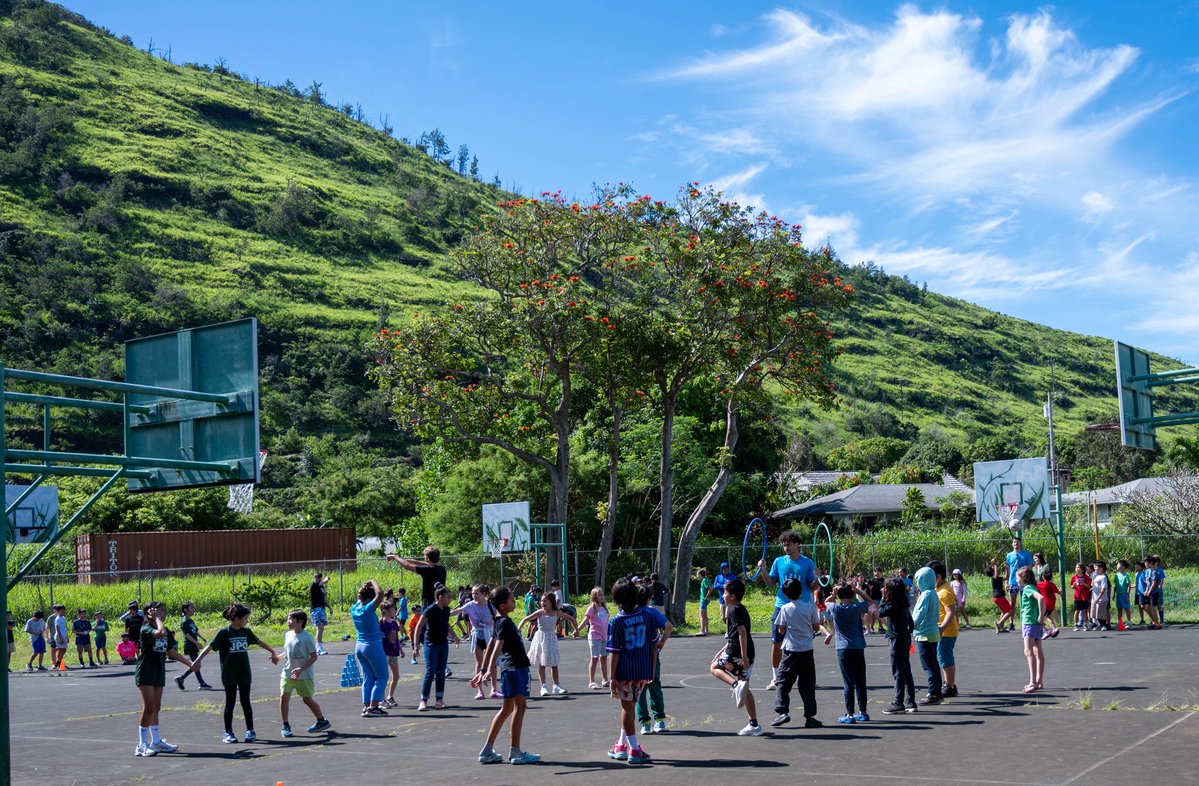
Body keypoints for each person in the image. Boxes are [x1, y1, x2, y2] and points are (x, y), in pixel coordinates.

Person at [188, 603, 279, 743]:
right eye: (245, 618)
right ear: (236, 619)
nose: (247, 621)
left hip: (244, 673)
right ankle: (228, 732)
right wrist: (197, 660)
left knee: (245, 701)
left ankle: (250, 730)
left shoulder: (246, 632)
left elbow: (259, 642)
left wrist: (272, 651)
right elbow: (210, 646)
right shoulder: (225, 632)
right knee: (230, 703)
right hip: (229, 673)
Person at [473, 587, 540, 765]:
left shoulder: (499, 622)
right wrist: (487, 670)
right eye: (511, 600)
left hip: (510, 669)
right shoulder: (504, 622)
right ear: (503, 605)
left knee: (508, 709)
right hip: (516, 668)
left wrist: (482, 670)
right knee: (520, 707)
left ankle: (487, 751)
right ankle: (516, 751)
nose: (514, 602)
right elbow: (497, 646)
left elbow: (490, 647)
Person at [607, 577, 660, 763]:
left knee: (627, 707)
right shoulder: (647, 616)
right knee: (629, 707)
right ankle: (622, 745)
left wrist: (611, 677)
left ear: (617, 599)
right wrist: (651, 669)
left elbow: (614, 652)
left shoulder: (617, 621)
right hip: (642, 669)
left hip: (624, 671)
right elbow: (655, 645)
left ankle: (634, 749)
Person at [756, 529, 817, 689]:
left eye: (789, 544)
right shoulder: (779, 561)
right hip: (782, 606)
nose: (786, 548)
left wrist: (817, 577)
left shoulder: (807, 563)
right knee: (777, 642)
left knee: (805, 642)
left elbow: (812, 586)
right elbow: (771, 583)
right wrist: (763, 570)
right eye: (784, 545)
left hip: (802, 607)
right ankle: (775, 678)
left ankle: (808, 677)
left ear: (797, 544)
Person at [133, 602, 193, 757]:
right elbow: (160, 633)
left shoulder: (163, 629)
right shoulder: (146, 629)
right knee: (149, 707)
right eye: (160, 611)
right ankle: (141, 745)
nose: (164, 613)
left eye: (165, 611)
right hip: (146, 672)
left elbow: (171, 651)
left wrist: (190, 663)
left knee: (156, 707)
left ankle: (156, 741)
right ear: (150, 614)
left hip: (158, 672)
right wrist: (156, 619)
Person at [709, 577, 763, 736]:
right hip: (745, 651)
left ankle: (735, 685)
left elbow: (742, 633)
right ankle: (754, 724)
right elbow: (734, 634)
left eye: (725, 592)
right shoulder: (741, 608)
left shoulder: (732, 609)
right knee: (745, 686)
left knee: (714, 668)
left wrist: (744, 657)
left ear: (732, 596)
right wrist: (721, 650)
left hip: (738, 652)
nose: (723, 595)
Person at [771, 577, 824, 727]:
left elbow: (781, 629)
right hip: (806, 649)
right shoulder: (810, 607)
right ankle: (810, 716)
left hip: (790, 650)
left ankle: (783, 711)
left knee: (783, 681)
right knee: (807, 684)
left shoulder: (785, 609)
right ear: (801, 591)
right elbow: (816, 628)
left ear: (786, 595)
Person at [824, 580, 875, 724]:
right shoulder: (856, 607)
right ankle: (863, 711)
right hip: (858, 647)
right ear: (852, 595)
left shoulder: (835, 607)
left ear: (839, 596)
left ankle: (850, 714)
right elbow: (870, 602)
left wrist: (834, 594)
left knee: (848, 682)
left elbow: (825, 602)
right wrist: (857, 590)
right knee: (860, 681)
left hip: (843, 648)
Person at [278, 609, 331, 738]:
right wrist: (278, 657)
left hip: (304, 675)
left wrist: (301, 669)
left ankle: (321, 721)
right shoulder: (288, 635)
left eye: (291, 619)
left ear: (300, 621)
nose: (288, 622)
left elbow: (314, 657)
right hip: (288, 673)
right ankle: (286, 725)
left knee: (307, 699)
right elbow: (289, 652)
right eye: (288, 619)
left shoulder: (307, 638)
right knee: (284, 697)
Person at [414, 584, 461, 711]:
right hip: (431, 644)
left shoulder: (446, 610)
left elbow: (446, 624)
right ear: (440, 597)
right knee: (431, 672)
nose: (450, 599)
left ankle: (439, 700)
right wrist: (416, 645)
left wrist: (455, 636)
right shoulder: (430, 610)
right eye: (448, 597)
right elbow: (418, 626)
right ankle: (423, 701)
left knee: (441, 672)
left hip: (443, 644)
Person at [521, 591, 576, 696]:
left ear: (551, 602)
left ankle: (556, 686)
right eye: (541, 600)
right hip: (541, 638)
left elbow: (571, 618)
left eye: (545, 600)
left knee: (554, 663)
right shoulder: (540, 612)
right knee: (542, 664)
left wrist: (576, 630)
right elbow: (525, 619)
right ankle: (543, 687)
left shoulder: (557, 612)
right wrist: (518, 629)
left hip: (551, 638)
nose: (542, 602)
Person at [634, 584, 673, 735]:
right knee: (655, 686)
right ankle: (660, 720)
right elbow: (668, 626)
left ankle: (645, 723)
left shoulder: (631, 613)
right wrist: (662, 641)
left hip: (635, 657)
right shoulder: (651, 612)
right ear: (649, 598)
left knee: (639, 689)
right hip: (651, 655)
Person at [451, 584, 500, 699]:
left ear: (484, 594)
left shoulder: (490, 605)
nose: (474, 595)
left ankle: (494, 689)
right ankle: (480, 690)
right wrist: (443, 613)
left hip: (489, 634)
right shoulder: (470, 605)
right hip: (477, 634)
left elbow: (499, 616)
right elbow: (458, 611)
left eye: (476, 593)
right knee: (479, 663)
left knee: (492, 662)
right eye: (472, 593)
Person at [349, 579, 389, 717]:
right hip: (372, 646)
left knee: (368, 677)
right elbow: (380, 595)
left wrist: (363, 587)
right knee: (383, 675)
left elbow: (362, 598)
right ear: (370, 599)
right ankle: (373, 706)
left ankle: (367, 706)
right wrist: (372, 581)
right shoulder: (367, 609)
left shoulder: (355, 609)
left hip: (359, 647)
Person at [877, 576, 917, 714]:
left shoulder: (892, 605)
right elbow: (911, 622)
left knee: (898, 671)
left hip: (897, 638)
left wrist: (883, 597)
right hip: (904, 637)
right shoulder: (903, 603)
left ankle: (898, 702)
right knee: (906, 670)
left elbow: (881, 612)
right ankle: (910, 700)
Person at [912, 566, 943, 705]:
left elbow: (919, 614)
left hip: (925, 634)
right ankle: (937, 691)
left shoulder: (925, 595)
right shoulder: (933, 592)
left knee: (928, 665)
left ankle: (933, 693)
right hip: (933, 632)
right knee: (933, 663)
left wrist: (911, 625)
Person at [929, 561, 960, 698]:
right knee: (942, 657)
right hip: (941, 629)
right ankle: (949, 683)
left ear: (939, 576)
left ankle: (950, 685)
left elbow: (951, 611)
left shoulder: (945, 591)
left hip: (946, 630)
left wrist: (942, 628)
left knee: (945, 657)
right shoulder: (938, 589)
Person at [1018, 567, 1049, 693]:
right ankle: (1039, 681)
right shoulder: (1034, 587)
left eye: (1018, 577)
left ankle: (1033, 682)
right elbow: (1042, 601)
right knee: (1037, 651)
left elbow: (1041, 598)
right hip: (1035, 623)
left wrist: (1041, 615)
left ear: (1024, 578)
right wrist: (1040, 616)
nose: (1017, 579)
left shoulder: (1028, 588)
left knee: (1028, 651)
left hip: (1030, 622)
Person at [575, 586, 611, 689]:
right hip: (595, 635)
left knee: (604, 658)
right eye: (599, 594)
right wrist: (577, 630)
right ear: (594, 596)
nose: (602, 596)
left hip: (605, 636)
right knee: (594, 658)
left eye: (602, 594)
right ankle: (592, 681)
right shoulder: (592, 608)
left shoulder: (604, 608)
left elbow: (607, 622)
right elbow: (586, 621)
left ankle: (605, 680)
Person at [174, 602, 214, 690]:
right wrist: (196, 643)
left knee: (196, 664)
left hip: (193, 645)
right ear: (185, 609)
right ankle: (199, 683)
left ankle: (181, 679)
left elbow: (195, 631)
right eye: (191, 608)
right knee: (196, 664)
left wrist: (202, 638)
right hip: (190, 645)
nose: (193, 610)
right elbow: (187, 635)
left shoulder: (190, 620)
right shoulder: (184, 621)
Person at [379, 599, 403, 708]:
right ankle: (381, 699)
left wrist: (401, 649)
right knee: (384, 676)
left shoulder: (394, 622)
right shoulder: (381, 623)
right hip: (384, 652)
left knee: (396, 675)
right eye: (393, 609)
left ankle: (390, 696)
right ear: (386, 611)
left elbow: (396, 637)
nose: (395, 611)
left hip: (393, 652)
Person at [1006, 538, 1033, 625]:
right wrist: (1007, 582)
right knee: (1012, 603)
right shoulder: (1009, 555)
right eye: (1014, 542)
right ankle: (1011, 623)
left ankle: (1026, 621)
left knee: (1025, 601)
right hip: (1013, 581)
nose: (1016, 543)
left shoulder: (1026, 554)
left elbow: (1030, 567)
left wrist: (1025, 576)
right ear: (1012, 544)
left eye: (1017, 542)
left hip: (1023, 582)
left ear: (1020, 543)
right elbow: (1008, 570)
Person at [986, 562, 1014, 634]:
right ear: (993, 571)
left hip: (997, 597)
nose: (996, 569)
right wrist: (995, 564)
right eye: (994, 568)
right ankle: (999, 624)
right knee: (1010, 611)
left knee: (1004, 611)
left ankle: (1001, 628)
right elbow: (997, 574)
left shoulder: (998, 578)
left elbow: (1007, 577)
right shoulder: (995, 577)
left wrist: (1007, 569)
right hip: (1000, 597)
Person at [309, 572, 331, 655]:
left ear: (320, 578)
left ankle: (319, 647)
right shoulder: (314, 585)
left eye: (318, 578)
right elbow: (323, 582)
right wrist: (327, 579)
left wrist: (329, 608)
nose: (317, 579)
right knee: (320, 627)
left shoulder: (321, 587)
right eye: (316, 578)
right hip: (316, 609)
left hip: (322, 608)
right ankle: (318, 648)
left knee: (322, 628)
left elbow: (324, 598)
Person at [1091, 561, 1112, 631]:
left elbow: (1103, 589)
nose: (1095, 568)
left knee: (1100, 613)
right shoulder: (1094, 575)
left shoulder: (1103, 577)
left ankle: (1104, 625)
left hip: (1101, 599)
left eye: (1096, 567)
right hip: (1094, 598)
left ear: (1101, 568)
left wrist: (1099, 598)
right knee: (1094, 614)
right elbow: (1094, 585)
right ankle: (1099, 625)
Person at [1071, 563, 1092, 631]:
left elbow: (1089, 586)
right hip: (1077, 596)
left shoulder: (1086, 577)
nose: (1077, 569)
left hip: (1085, 596)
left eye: (1078, 567)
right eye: (1076, 567)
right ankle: (1076, 624)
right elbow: (1072, 586)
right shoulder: (1074, 577)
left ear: (1082, 569)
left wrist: (1083, 583)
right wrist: (1073, 586)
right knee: (1077, 610)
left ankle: (1085, 624)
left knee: (1085, 610)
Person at [1113, 560, 1133, 631]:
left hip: (1124, 594)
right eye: (1117, 564)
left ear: (1124, 567)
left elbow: (1129, 586)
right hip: (1118, 594)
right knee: (1119, 609)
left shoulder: (1126, 575)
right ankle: (1120, 622)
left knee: (1127, 608)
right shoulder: (1116, 575)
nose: (1117, 566)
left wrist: (1127, 595)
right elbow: (1115, 586)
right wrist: (1114, 594)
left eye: (1119, 565)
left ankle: (1129, 622)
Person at [49, 605, 69, 670]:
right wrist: (60, 637)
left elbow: (65, 628)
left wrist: (67, 637)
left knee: (64, 650)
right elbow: (57, 629)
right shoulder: (57, 619)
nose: (63, 611)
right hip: (59, 636)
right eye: (61, 610)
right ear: (58, 611)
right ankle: (58, 664)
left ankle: (58, 663)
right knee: (60, 650)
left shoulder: (64, 618)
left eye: (64, 610)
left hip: (64, 636)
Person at [1148, 555, 1166, 628]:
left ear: (1157, 562)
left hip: (1158, 591)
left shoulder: (1160, 570)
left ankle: (1162, 621)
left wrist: (1160, 585)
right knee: (1153, 606)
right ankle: (1155, 621)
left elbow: (1162, 579)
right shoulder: (1150, 570)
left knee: (1159, 605)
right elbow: (1149, 579)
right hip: (1153, 591)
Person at [865, 567, 885, 633]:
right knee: (874, 614)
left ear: (880, 572)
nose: (875, 573)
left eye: (876, 571)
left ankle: (880, 627)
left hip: (882, 599)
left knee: (881, 613)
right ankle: (871, 626)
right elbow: (868, 590)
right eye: (874, 571)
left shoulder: (883, 580)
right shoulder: (872, 580)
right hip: (874, 599)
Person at [696, 568, 714, 636]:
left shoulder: (704, 580)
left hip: (704, 600)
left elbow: (711, 587)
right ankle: (706, 630)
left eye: (698, 575)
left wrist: (707, 596)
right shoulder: (705, 580)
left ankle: (702, 631)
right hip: (703, 599)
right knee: (705, 616)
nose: (697, 576)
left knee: (702, 616)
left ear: (700, 574)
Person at [1134, 560, 1150, 627]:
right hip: (1138, 593)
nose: (1136, 566)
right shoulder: (1136, 574)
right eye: (1136, 565)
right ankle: (1142, 620)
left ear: (1141, 567)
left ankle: (1153, 618)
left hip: (1144, 593)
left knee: (1143, 607)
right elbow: (1137, 584)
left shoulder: (1144, 574)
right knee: (1140, 607)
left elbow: (1147, 583)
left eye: (1137, 565)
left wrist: (1147, 591)